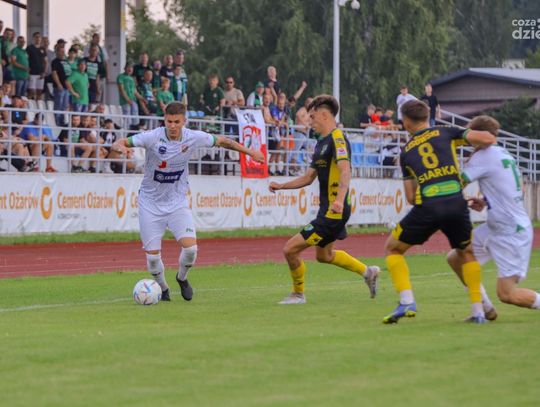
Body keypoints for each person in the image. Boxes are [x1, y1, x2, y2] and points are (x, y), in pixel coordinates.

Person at [111, 102, 264, 301]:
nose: (172, 126)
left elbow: (224, 141)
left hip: (177, 202)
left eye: (176, 122)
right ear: (164, 120)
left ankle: (182, 278)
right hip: (149, 204)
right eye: (169, 121)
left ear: (184, 121)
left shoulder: (193, 137)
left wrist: (251, 152)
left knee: (191, 250)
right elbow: (120, 142)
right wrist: (121, 147)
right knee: (153, 259)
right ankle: (163, 289)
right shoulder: (152, 137)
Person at [382, 100, 497, 324]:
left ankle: (407, 301)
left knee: (393, 249)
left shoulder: (406, 152)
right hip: (456, 202)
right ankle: (478, 312)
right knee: (467, 253)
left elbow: (410, 197)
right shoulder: (447, 132)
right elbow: (487, 138)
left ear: (406, 122)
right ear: (427, 117)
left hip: (429, 206)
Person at [268, 95, 380, 305]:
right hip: (328, 209)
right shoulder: (321, 143)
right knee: (324, 256)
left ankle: (298, 294)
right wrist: (282, 186)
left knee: (290, 249)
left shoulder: (338, 138)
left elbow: (345, 170)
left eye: (312, 117)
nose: (309, 121)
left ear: (325, 115)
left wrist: (339, 200)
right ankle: (368, 272)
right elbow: (308, 177)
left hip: (333, 211)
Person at [447, 115, 540, 317]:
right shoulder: (503, 153)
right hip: (497, 226)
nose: (468, 139)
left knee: (507, 294)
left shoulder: (483, 155)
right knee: (456, 258)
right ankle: (485, 309)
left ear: (479, 135)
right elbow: (516, 188)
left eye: (471, 134)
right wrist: (486, 201)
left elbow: (457, 183)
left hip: (510, 231)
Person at [26, 32, 47, 100]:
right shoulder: (29, 48)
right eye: (36, 37)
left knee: (39, 92)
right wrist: (27, 71)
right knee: (31, 92)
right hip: (32, 73)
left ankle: (38, 106)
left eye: (39, 37)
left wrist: (44, 72)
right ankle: (27, 105)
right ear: (33, 38)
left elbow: (46, 62)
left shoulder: (43, 49)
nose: (38, 38)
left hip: (40, 74)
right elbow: (26, 59)